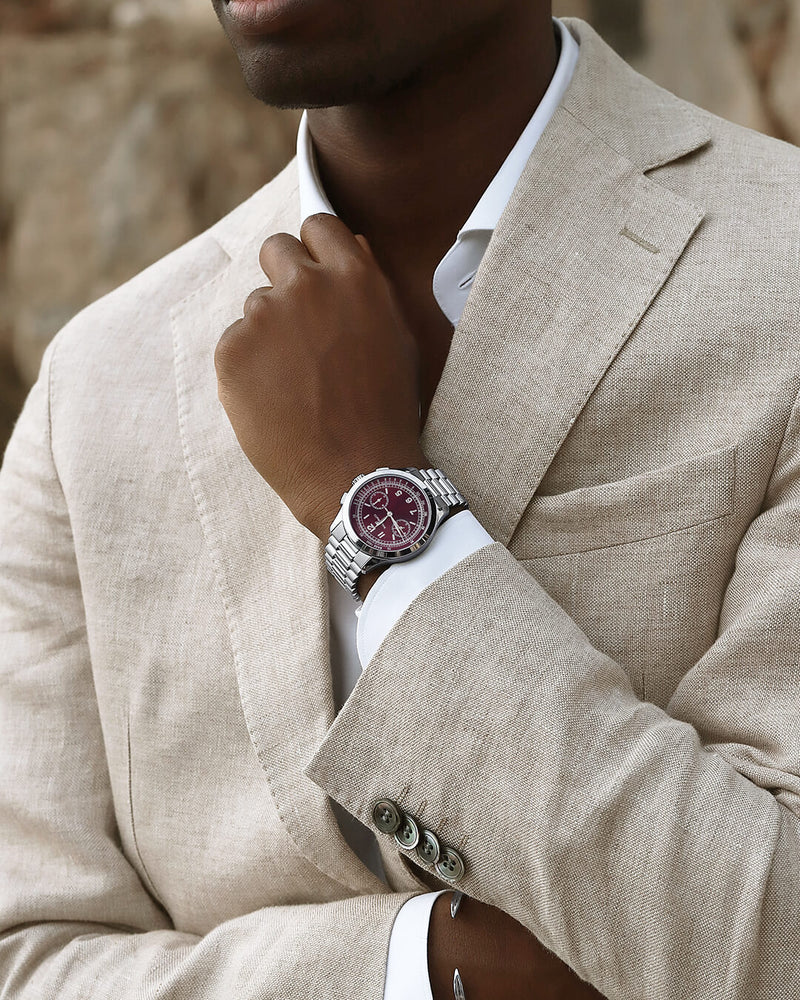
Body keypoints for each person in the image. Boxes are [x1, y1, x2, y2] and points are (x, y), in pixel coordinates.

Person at [1, 0, 799, 996]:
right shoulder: (97, 388)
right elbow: (27, 956)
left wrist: (375, 502)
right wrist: (418, 966)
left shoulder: (779, 274)